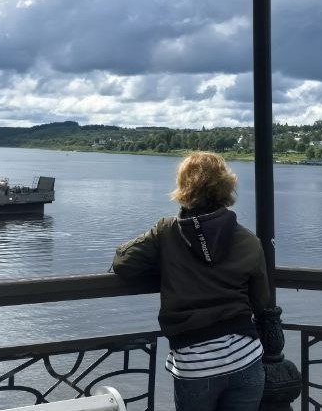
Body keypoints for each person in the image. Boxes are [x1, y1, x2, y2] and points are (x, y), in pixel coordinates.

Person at [112, 152, 270, 411]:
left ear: (184, 187)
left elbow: (123, 263)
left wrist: (167, 263)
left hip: (196, 363)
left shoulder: (167, 231)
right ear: (227, 187)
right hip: (246, 357)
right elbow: (261, 300)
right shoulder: (249, 241)